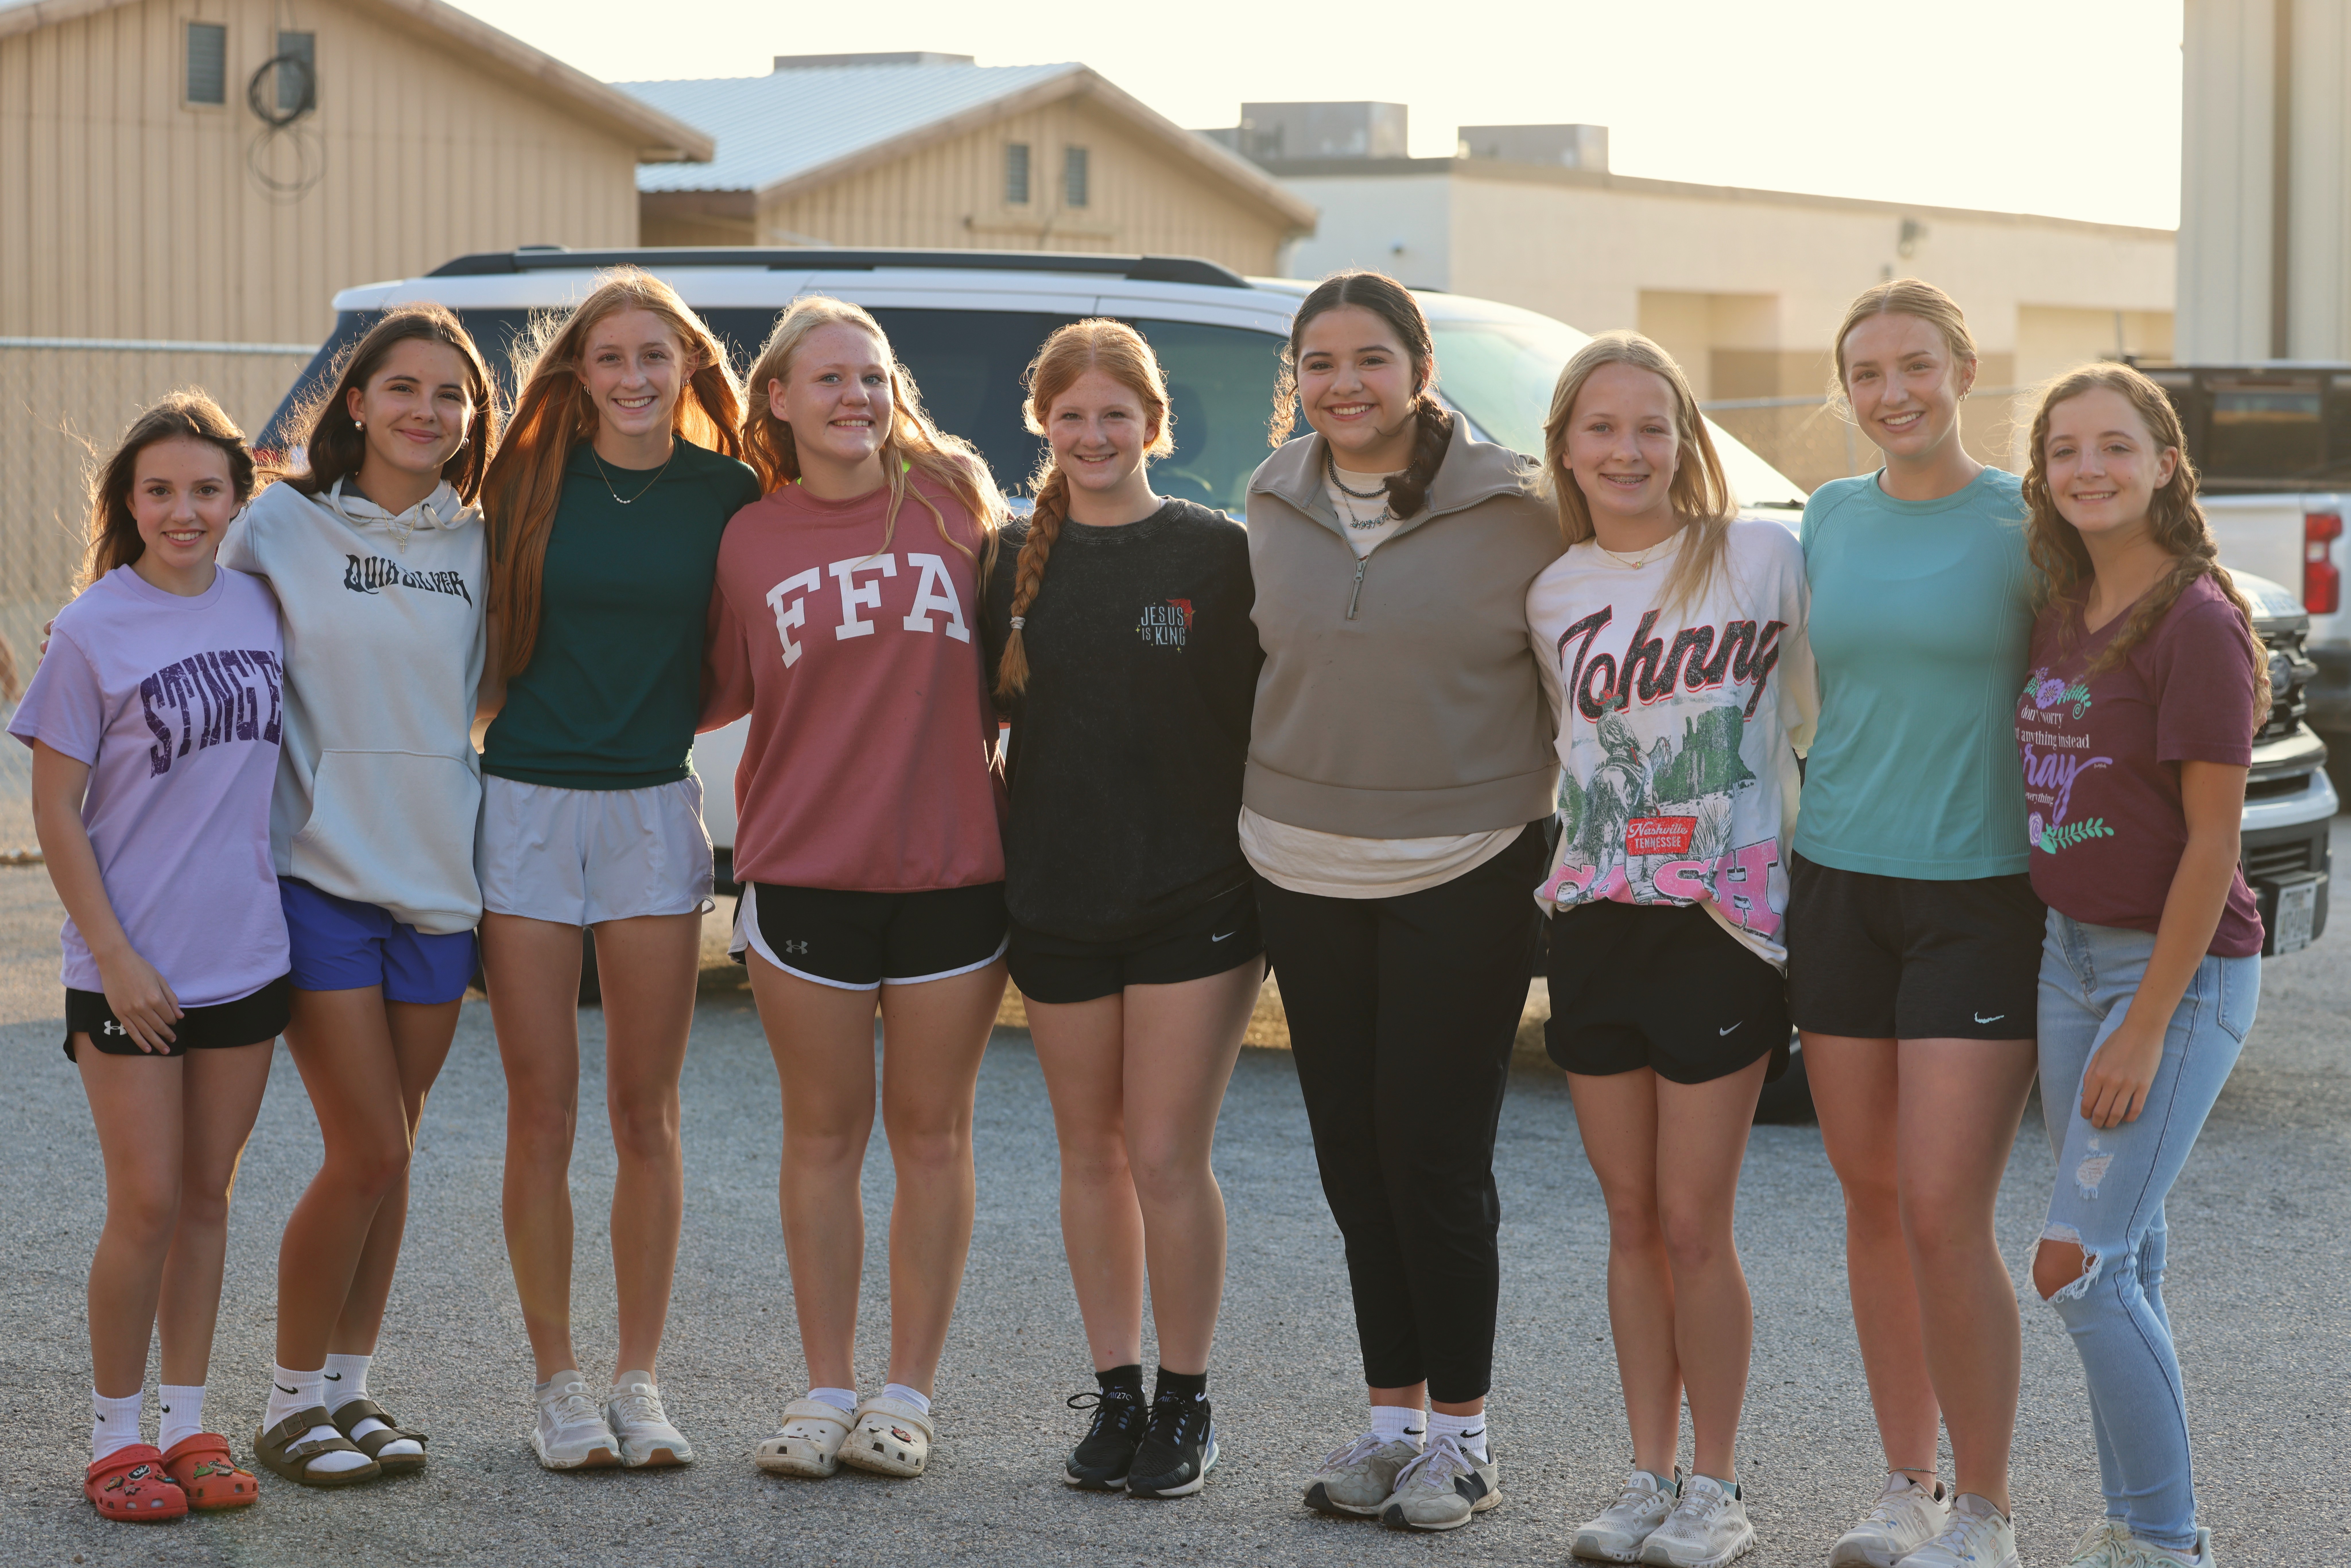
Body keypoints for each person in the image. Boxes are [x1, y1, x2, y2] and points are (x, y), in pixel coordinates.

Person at [1245, 271, 1560, 1534]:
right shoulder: (1270, 498)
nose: (1343, 384)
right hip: (1299, 865)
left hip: (1465, 862)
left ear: (1420, 368)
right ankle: (1388, 1426)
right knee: (1351, 1161)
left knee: (1433, 1158)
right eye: (1317, 362)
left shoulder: (1519, 513)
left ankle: (1464, 1442)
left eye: (1368, 358)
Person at [701, 297, 1007, 1483]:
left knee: (932, 1136)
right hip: (804, 873)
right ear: (775, 398)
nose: (854, 399)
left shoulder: (954, 502)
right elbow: (709, 688)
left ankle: (905, 1394)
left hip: (951, 873)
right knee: (822, 1136)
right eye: (826, 379)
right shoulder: (745, 537)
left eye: (872, 378)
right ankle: (825, 1385)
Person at [1527, 334, 1816, 1568]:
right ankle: (1645, 1475)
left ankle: (1718, 1486)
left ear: (1685, 440)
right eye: (1601, 428)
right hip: (1594, 920)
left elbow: (1818, 709)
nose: (1627, 450)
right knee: (1630, 1215)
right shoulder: (1551, 592)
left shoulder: (1758, 555)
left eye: (1651, 427)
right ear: (1566, 447)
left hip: (1724, 925)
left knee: (1698, 1220)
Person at [477, 269, 759, 1471]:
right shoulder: (523, 481)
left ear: (690, 365)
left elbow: (735, 668)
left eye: (658, 356)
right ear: (577, 373)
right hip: (525, 808)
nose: (636, 377)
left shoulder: (731, 492)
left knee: (646, 1115)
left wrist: (650, 728)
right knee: (541, 1114)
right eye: (611, 358)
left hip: (652, 808)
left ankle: (640, 1380)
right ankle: (556, 1384)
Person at [980, 320, 1264, 1499]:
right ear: (1042, 427)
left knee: (1161, 1152)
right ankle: (1115, 1391)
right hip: (1054, 896)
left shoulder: (1219, 554)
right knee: (1087, 1151)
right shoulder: (1005, 561)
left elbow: (1279, 717)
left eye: (1114, 415)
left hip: (1194, 898)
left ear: (1154, 424)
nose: (1092, 436)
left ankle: (1187, 1400)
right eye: (1069, 417)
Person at [224, 303, 497, 1488]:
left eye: (450, 395)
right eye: (403, 388)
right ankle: (287, 1402)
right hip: (317, 876)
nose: (426, 412)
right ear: (355, 401)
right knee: (366, 1144)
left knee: (397, 1152)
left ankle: (350, 1387)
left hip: (439, 881)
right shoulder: (276, 526)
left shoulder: (482, 544)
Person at [1791, 280, 2041, 1568]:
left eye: (1913, 366)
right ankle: (1905, 1483)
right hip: (1836, 883)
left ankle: (1986, 1510)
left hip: (1978, 898)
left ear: (1961, 369)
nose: (1890, 393)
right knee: (1871, 1195)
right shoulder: (1824, 518)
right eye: (1865, 371)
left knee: (1946, 1206)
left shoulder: (2024, 522)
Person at [13, 394, 284, 1520]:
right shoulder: (93, 627)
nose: (184, 509)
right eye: (160, 490)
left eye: (207, 489)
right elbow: (57, 812)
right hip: (132, 967)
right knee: (148, 1202)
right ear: (129, 502)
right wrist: (113, 957)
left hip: (248, 956)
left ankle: (188, 1420)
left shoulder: (267, 607)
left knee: (211, 1198)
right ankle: (114, 1434)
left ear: (237, 500)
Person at [2015, 365, 2265, 1568]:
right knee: (2127, 1259)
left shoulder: (2196, 622)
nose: (2087, 469)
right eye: (2063, 449)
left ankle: (2167, 1545)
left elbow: (2212, 842)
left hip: (2173, 974)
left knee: (2075, 1264)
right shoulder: (2060, 602)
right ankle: (2132, 1530)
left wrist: (2144, 1022)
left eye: (2113, 446)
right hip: (2066, 960)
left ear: (2165, 462)